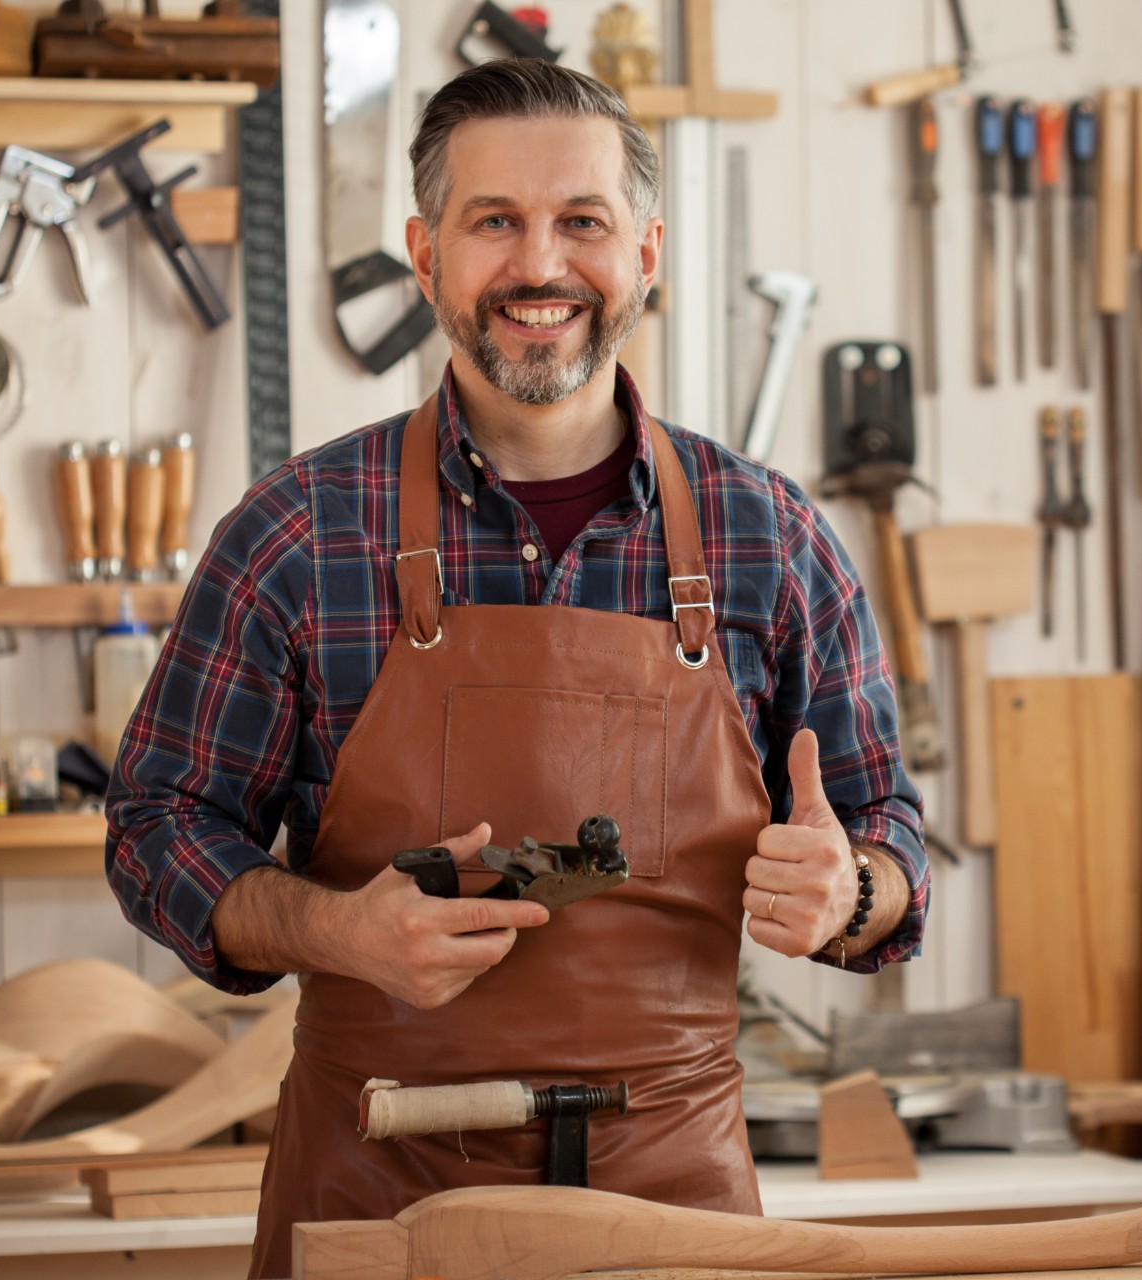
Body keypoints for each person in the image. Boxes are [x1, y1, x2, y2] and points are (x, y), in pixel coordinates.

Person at [104, 57, 927, 1279]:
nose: (541, 265)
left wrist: (849, 892)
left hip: (674, 1211)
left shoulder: (775, 538)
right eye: (496, 221)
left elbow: (892, 839)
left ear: (645, 251)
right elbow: (153, 826)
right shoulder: (297, 532)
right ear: (425, 254)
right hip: (378, 1184)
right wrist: (336, 929)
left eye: (580, 222)